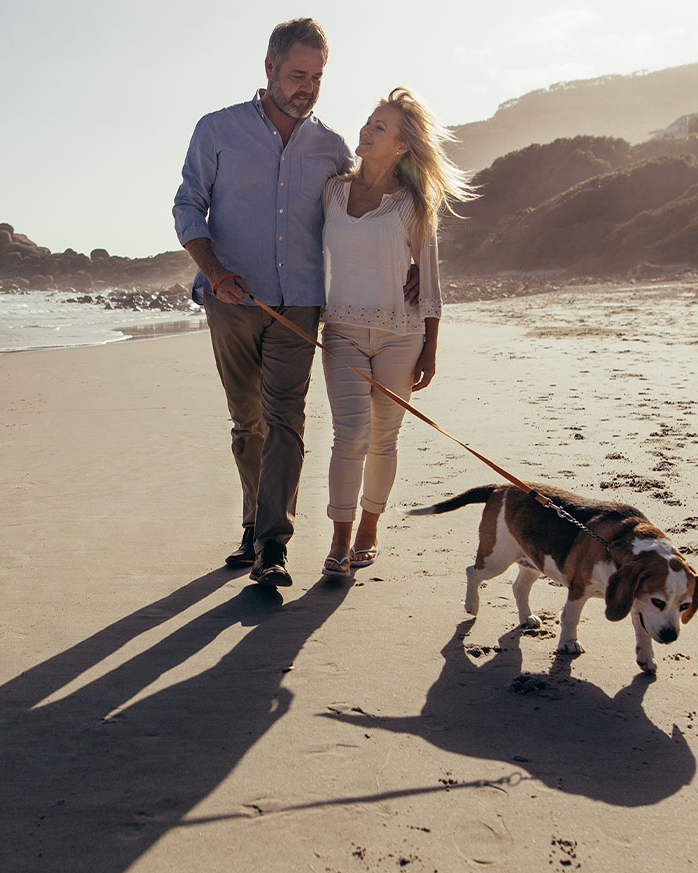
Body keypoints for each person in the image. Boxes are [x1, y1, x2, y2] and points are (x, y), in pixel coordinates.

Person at [172, 18, 353, 588]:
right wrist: (216, 272)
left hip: (298, 305)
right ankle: (253, 525)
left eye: (317, 78)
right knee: (246, 423)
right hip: (230, 301)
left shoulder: (331, 147)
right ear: (270, 67)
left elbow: (353, 221)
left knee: (286, 421)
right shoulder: (217, 129)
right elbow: (187, 207)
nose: (307, 87)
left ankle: (273, 544)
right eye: (298, 74)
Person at [318, 88, 476, 577]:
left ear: (403, 146)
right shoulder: (331, 192)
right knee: (350, 436)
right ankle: (340, 538)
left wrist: (431, 345)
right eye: (367, 122)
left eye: (379, 127)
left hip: (399, 335)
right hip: (341, 330)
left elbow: (428, 278)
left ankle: (370, 525)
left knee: (383, 439)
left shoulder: (414, 203)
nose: (366, 131)